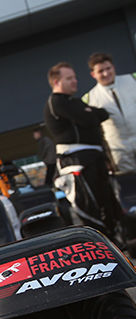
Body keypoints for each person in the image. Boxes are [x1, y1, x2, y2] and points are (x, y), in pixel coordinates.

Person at [42, 61, 118, 232]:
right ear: (57, 82)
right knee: (90, 207)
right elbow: (89, 119)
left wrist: (90, 113)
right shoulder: (57, 102)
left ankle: (115, 239)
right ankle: (100, 247)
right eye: (69, 78)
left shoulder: (74, 101)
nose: (75, 81)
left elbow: (101, 114)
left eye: (74, 77)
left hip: (95, 158)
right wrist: (89, 114)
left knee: (108, 202)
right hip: (77, 161)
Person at [82, 52, 136, 174]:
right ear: (93, 74)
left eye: (108, 68)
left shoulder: (133, 80)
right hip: (119, 152)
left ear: (114, 67)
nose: (106, 74)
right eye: (101, 71)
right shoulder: (89, 99)